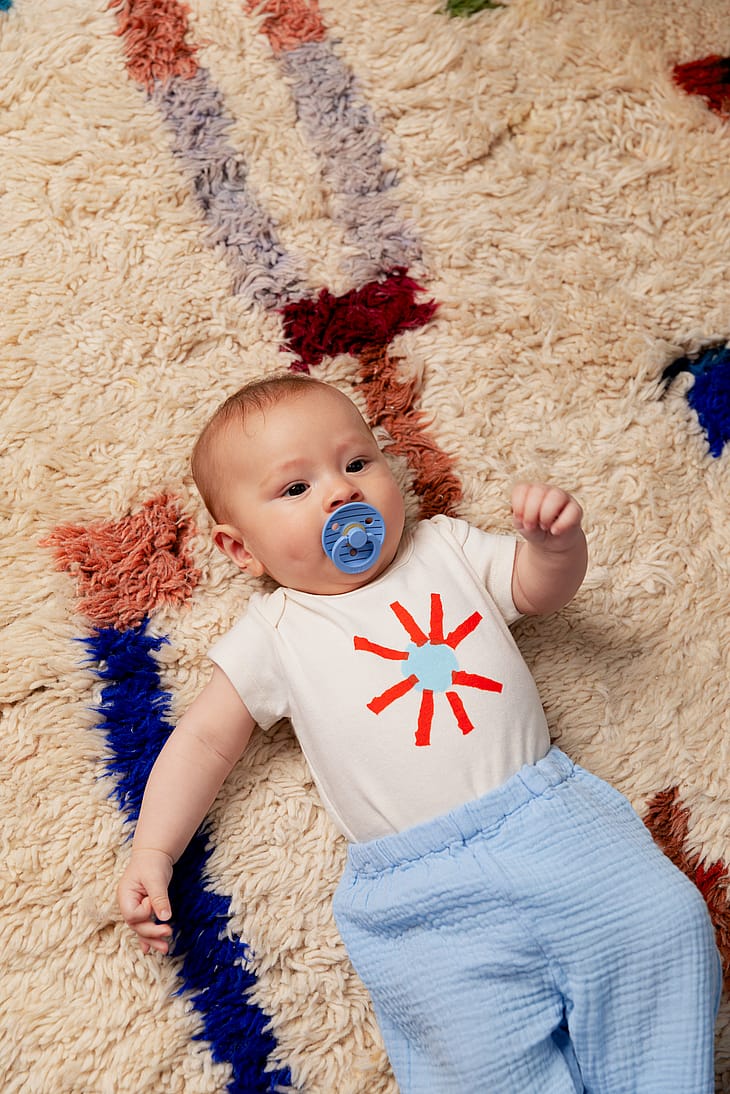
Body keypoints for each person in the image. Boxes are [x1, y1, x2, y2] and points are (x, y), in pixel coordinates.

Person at [117, 372, 721, 1092]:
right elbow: (203, 742)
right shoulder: (273, 633)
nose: (340, 493)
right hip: (419, 896)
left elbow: (535, 591)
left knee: (663, 926)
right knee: (475, 1058)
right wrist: (154, 849)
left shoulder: (446, 549)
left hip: (550, 824)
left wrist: (554, 547)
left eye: (356, 462)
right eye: (296, 488)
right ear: (241, 550)